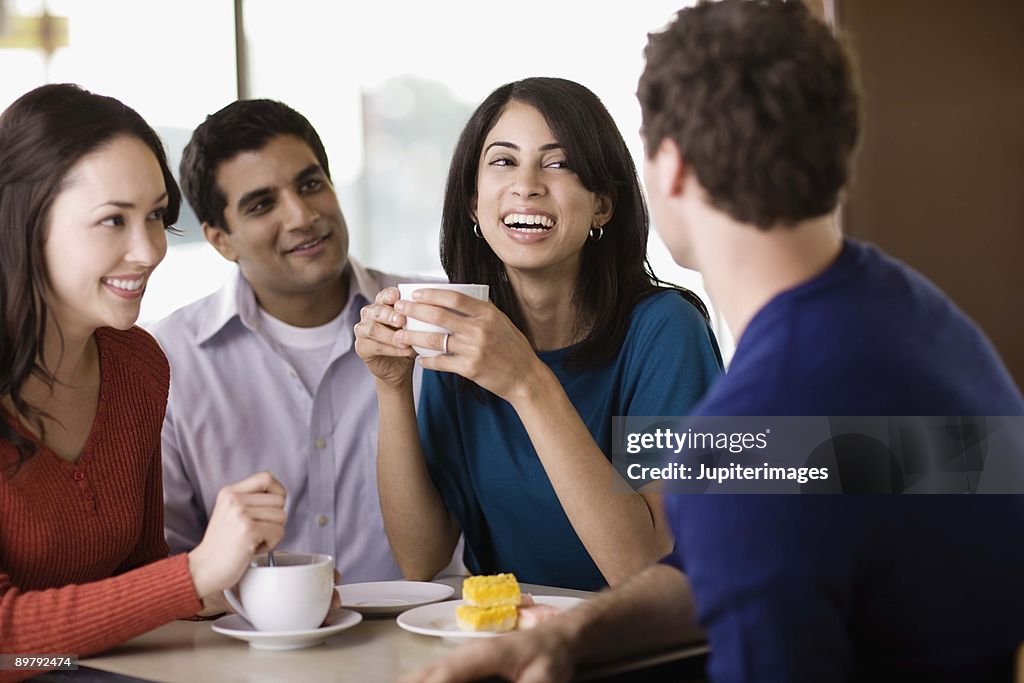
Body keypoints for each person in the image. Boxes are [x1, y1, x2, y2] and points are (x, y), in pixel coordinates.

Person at [401, 2, 1024, 682]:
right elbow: (714, 564)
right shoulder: (912, 319)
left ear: (668, 169)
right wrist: (570, 636)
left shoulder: (758, 422)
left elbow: (749, 533)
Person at [355, 77, 722, 591]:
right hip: (510, 643)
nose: (527, 184)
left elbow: (646, 569)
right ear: (472, 202)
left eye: (558, 162)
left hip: (639, 650)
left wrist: (526, 381)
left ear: (602, 205)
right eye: (503, 161)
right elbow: (420, 558)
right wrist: (391, 387)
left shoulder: (666, 331)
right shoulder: (463, 334)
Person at [0, 84, 287, 675]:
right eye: (113, 221)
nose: (149, 249)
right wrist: (196, 572)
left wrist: (239, 594)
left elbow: (135, 580)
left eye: (156, 216)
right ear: (27, 223)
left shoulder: (137, 365)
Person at [151, 99, 411, 585]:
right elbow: (170, 563)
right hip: (241, 646)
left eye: (311, 184)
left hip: (425, 633)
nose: (301, 216)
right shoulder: (167, 360)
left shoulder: (429, 317)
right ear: (220, 240)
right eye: (262, 204)